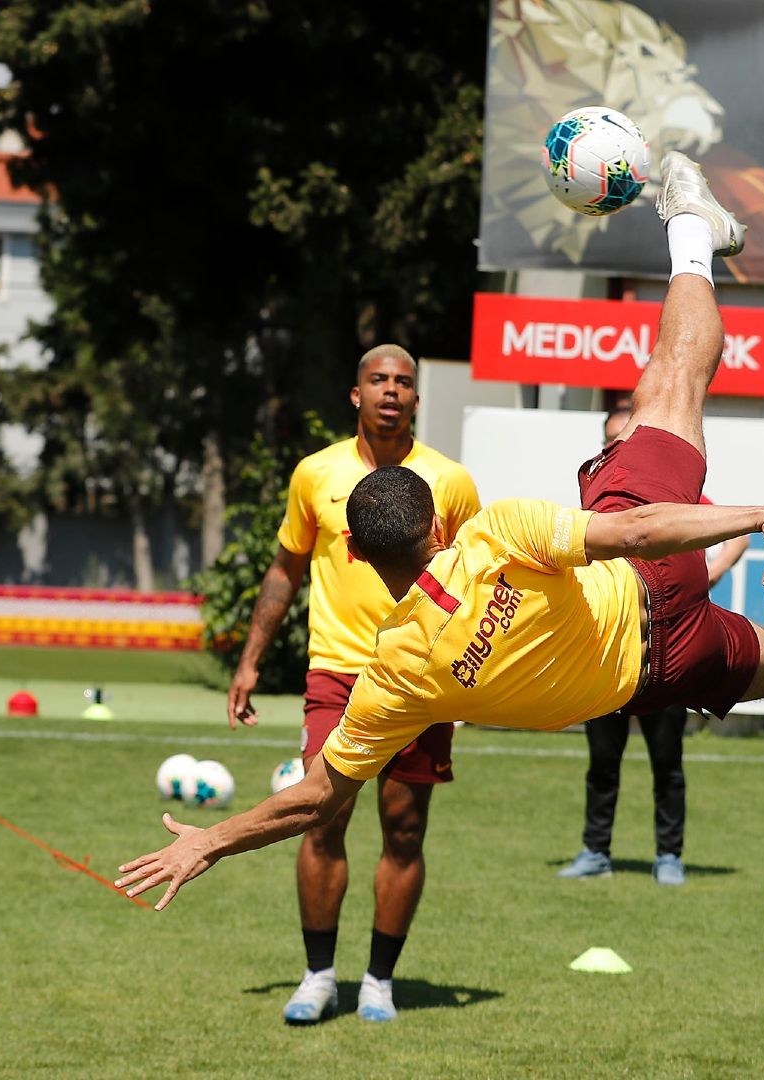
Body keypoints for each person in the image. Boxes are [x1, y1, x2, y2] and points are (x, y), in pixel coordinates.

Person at [118, 152, 764, 913]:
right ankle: (688, 233)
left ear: (360, 556)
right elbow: (634, 537)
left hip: (651, 674)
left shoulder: (397, 672)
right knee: (672, 383)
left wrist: (210, 840)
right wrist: (753, 512)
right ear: (430, 511)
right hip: (654, 588)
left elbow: (315, 798)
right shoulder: (493, 532)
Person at [226, 344, 481, 1025]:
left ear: (417, 399)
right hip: (337, 669)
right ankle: (317, 977)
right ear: (355, 394)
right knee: (319, 815)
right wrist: (251, 659)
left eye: (404, 382)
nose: (391, 391)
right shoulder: (315, 474)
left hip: (424, 674)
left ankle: (378, 982)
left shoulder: (450, 482)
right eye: (379, 380)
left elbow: (476, 576)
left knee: (404, 828)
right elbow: (285, 569)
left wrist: (474, 673)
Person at [558, 405, 746, 887]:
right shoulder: (596, 497)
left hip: (666, 648)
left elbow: (737, 534)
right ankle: (595, 851)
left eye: (621, 436)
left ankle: (669, 857)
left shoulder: (674, 499)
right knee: (602, 760)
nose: (614, 445)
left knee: (667, 762)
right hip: (606, 650)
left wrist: (711, 573)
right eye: (608, 439)